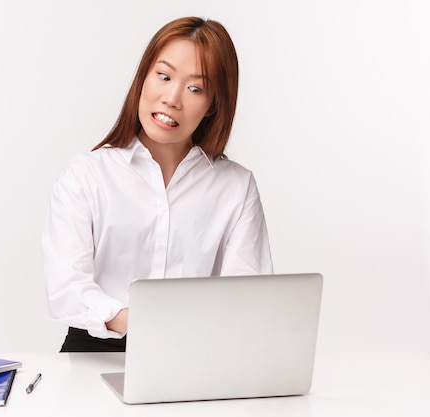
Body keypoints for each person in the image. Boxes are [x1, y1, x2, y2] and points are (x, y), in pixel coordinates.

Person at [42, 16, 273, 352]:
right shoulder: (86, 174)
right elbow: (66, 288)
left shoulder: (236, 187)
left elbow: (247, 296)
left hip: (198, 353)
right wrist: (141, 321)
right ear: (143, 79)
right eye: (163, 76)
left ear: (213, 105)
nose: (172, 98)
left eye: (196, 89)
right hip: (97, 352)